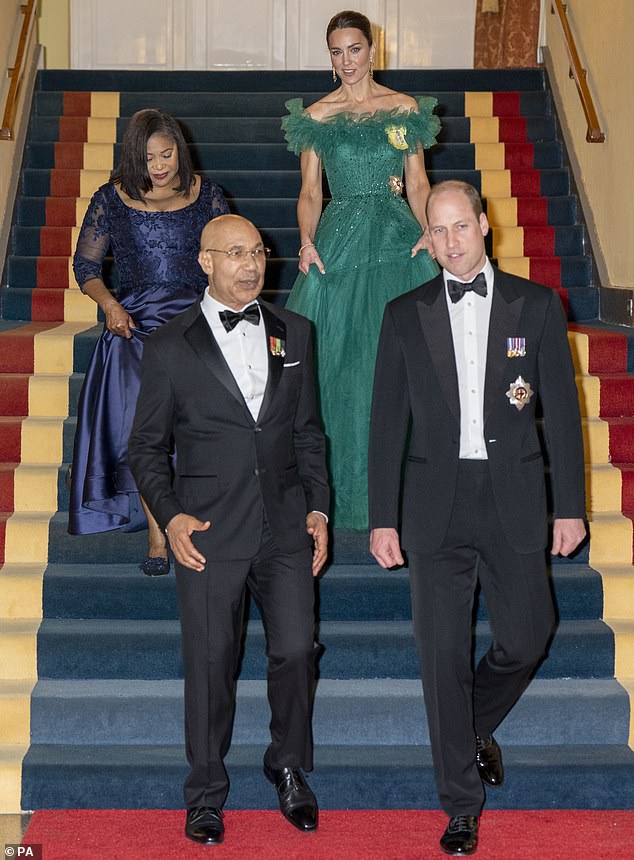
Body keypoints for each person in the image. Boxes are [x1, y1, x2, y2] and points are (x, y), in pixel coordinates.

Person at [368, 181, 586, 856]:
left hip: (513, 496)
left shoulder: (537, 304)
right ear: (426, 240)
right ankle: (460, 803)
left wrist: (571, 506)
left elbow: (563, 416)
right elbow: (385, 425)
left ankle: (469, 729)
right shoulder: (405, 313)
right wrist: (382, 517)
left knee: (529, 635)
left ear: (484, 226)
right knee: (440, 657)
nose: (451, 241)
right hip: (434, 505)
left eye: (461, 226)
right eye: (439, 232)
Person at [128, 214, 330, 846]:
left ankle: (288, 765)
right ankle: (206, 792)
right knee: (211, 663)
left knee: (296, 650)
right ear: (205, 262)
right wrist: (170, 515)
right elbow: (144, 447)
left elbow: (308, 434)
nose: (252, 263)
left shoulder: (295, 331)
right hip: (208, 530)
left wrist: (319, 509)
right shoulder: (168, 345)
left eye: (259, 251)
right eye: (237, 253)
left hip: (286, 524)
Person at [281, 9, 440, 529]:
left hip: (397, 240)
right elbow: (310, 192)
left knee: (400, 362)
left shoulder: (403, 108)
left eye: (354, 49)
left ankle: (408, 493)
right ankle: (337, 496)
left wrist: (430, 230)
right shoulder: (318, 117)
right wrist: (306, 239)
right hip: (340, 240)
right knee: (338, 368)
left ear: (373, 50)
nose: (346, 61)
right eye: (336, 52)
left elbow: (417, 183)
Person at [68, 108, 229, 575]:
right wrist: (111, 307)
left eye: (166, 153)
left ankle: (197, 514)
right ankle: (159, 536)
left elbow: (226, 258)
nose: (159, 165)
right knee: (143, 425)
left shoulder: (208, 196)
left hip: (194, 323)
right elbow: (86, 268)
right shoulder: (111, 198)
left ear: (180, 149)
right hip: (132, 327)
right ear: (133, 157)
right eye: (148, 156)